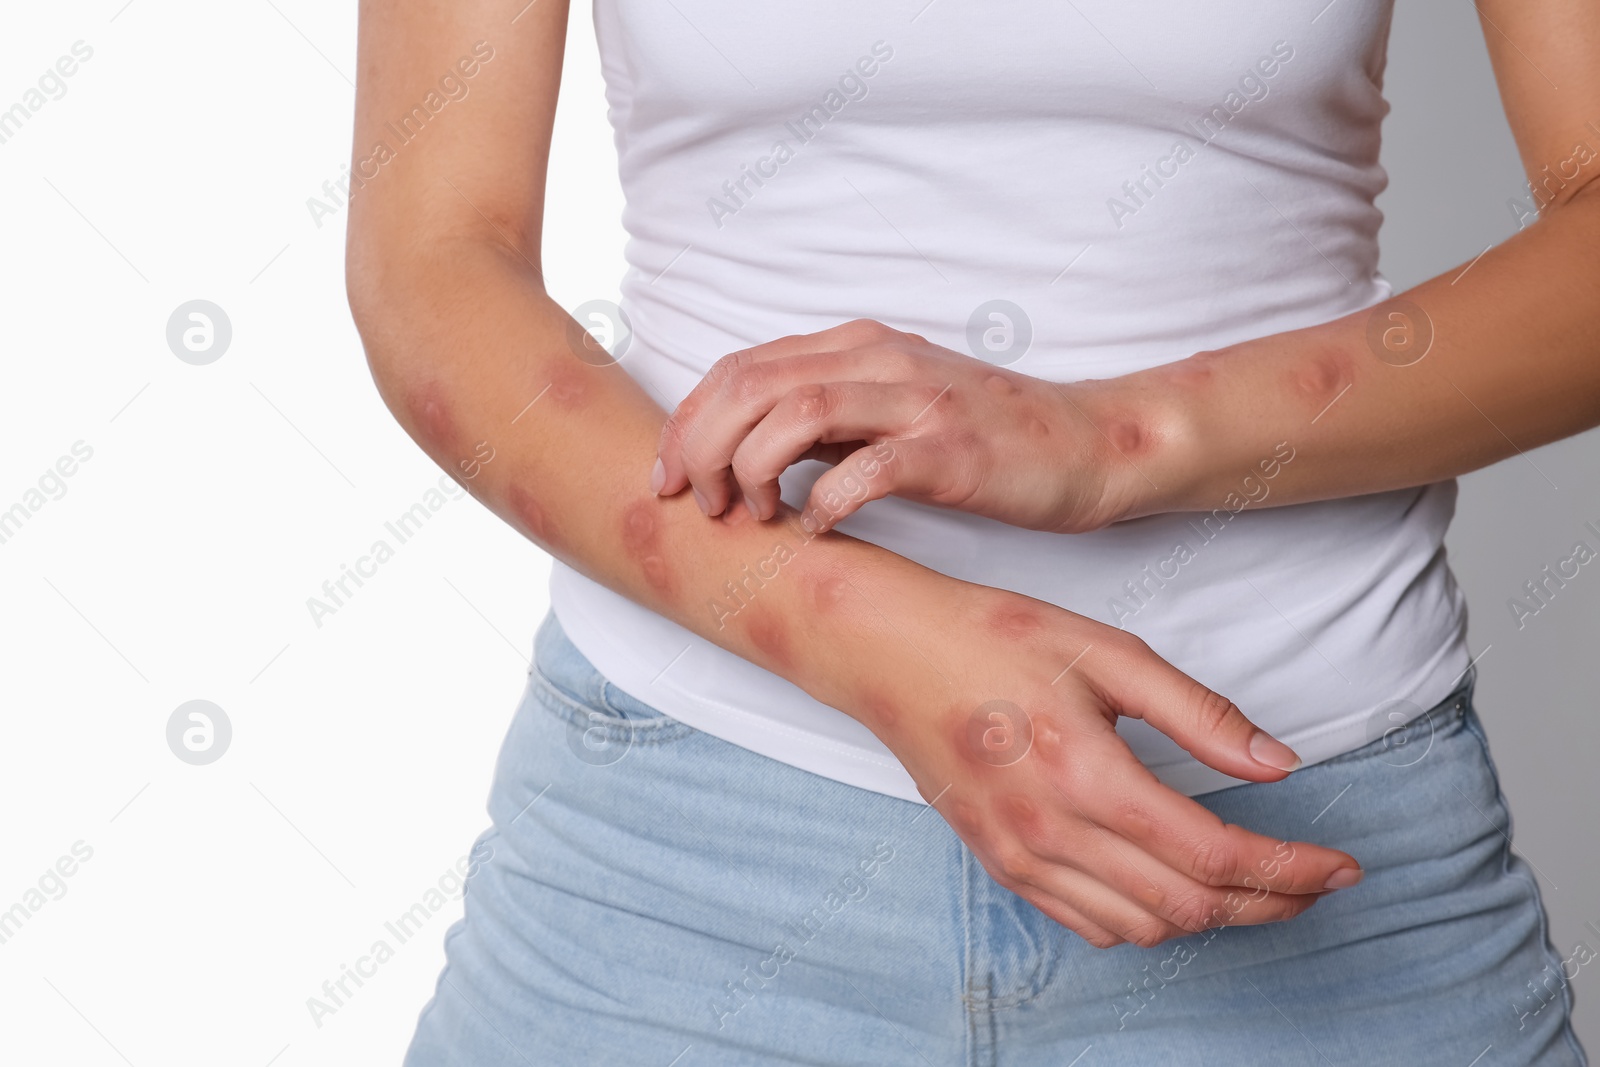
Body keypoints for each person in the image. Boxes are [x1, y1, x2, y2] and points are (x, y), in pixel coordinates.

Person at [346, 0, 1599, 1063]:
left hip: (1306, 829)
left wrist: (1111, 438)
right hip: (677, 852)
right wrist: (871, 637)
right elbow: (435, 259)